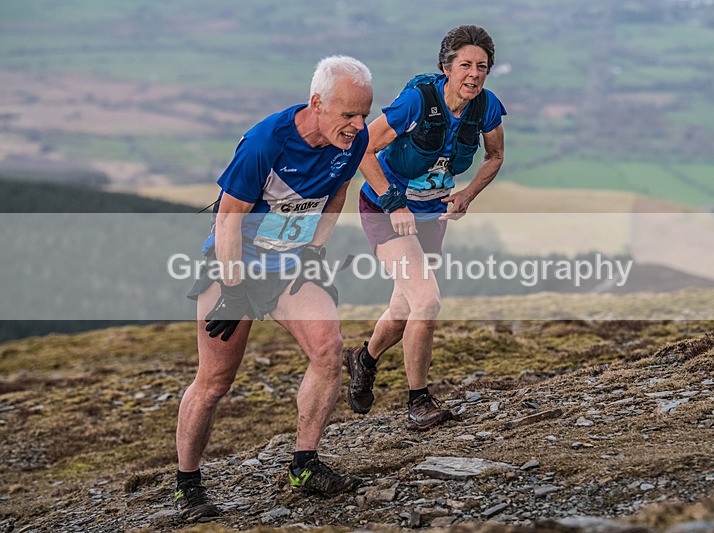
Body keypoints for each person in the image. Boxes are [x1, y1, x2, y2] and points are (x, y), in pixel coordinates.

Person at [174, 55, 373, 522]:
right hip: (233, 266)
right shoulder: (266, 142)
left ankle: (304, 464)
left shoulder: (353, 139)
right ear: (317, 103)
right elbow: (228, 218)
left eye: (365, 113)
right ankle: (188, 486)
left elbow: (337, 192)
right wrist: (233, 290)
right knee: (214, 381)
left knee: (328, 348)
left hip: (288, 267)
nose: (359, 125)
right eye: (348, 114)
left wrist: (315, 250)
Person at [344, 25, 506, 430]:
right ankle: (418, 402)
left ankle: (364, 359)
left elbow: (495, 155)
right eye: (465, 65)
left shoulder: (486, 107)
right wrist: (393, 200)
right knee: (427, 302)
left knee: (404, 308)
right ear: (446, 67)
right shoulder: (417, 101)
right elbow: (363, 147)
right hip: (387, 210)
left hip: (432, 214)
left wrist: (468, 193)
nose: (474, 74)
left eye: (482, 66)